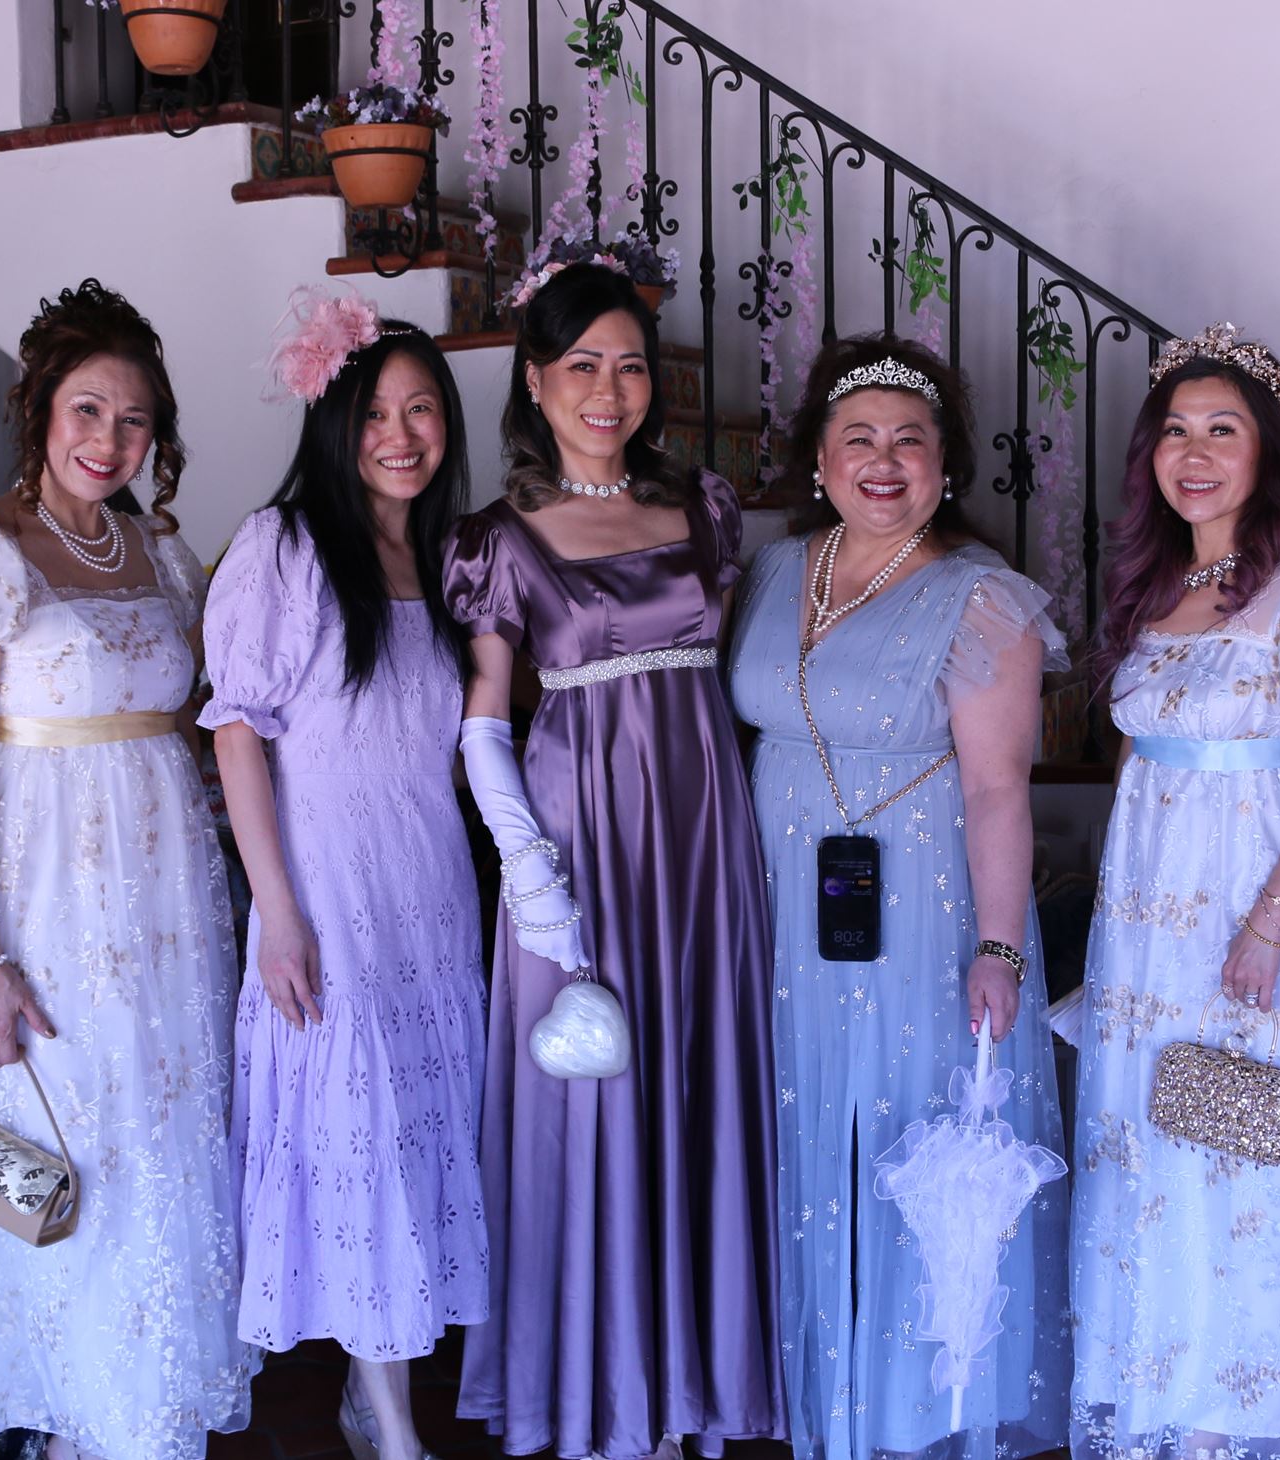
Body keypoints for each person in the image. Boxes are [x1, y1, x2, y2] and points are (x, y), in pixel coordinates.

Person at [0, 280, 255, 1460]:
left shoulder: (161, 549)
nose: (108, 440)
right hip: (35, 910)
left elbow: (200, 725)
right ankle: (51, 1409)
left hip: (166, 909)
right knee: (44, 1143)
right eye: (86, 410)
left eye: (133, 420)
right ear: (40, 411)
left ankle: (135, 1411)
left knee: (160, 1143)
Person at [443, 261, 781, 1460]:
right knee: (592, 1100)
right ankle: (601, 1399)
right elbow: (483, 720)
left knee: (695, 1081)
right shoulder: (495, 539)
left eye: (628, 363)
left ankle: (689, 1388)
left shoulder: (705, 508)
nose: (607, 387)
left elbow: (722, 683)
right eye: (580, 363)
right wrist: (528, 872)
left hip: (700, 844)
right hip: (577, 848)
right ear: (533, 380)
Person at [726, 334, 1071, 1460]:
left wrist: (999, 949)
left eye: (908, 442)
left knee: (906, 1147)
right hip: (784, 908)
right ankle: (822, 1401)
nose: (883, 462)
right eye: (857, 438)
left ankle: (915, 1417)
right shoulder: (776, 571)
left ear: (945, 466)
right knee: (801, 1140)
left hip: (916, 919)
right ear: (818, 459)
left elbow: (993, 788)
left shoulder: (982, 602)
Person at [1058, 325, 1280, 1460]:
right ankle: (1159, 1404)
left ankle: (1254, 1420)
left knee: (1254, 1144)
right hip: (1150, 922)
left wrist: (1263, 922)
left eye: (1221, 429)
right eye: (1173, 430)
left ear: (1266, 454)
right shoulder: (1153, 588)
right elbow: (1141, 761)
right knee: (1156, 1149)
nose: (1191, 453)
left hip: (1269, 912)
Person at [202, 293, 487, 1460]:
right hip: (327, 896)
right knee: (358, 1135)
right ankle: (388, 1423)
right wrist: (276, 907)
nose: (403, 434)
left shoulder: (445, 554)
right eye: (377, 412)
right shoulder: (281, 547)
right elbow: (235, 729)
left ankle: (375, 1398)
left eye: (424, 410)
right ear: (335, 420)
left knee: (417, 1141)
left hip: (431, 893)